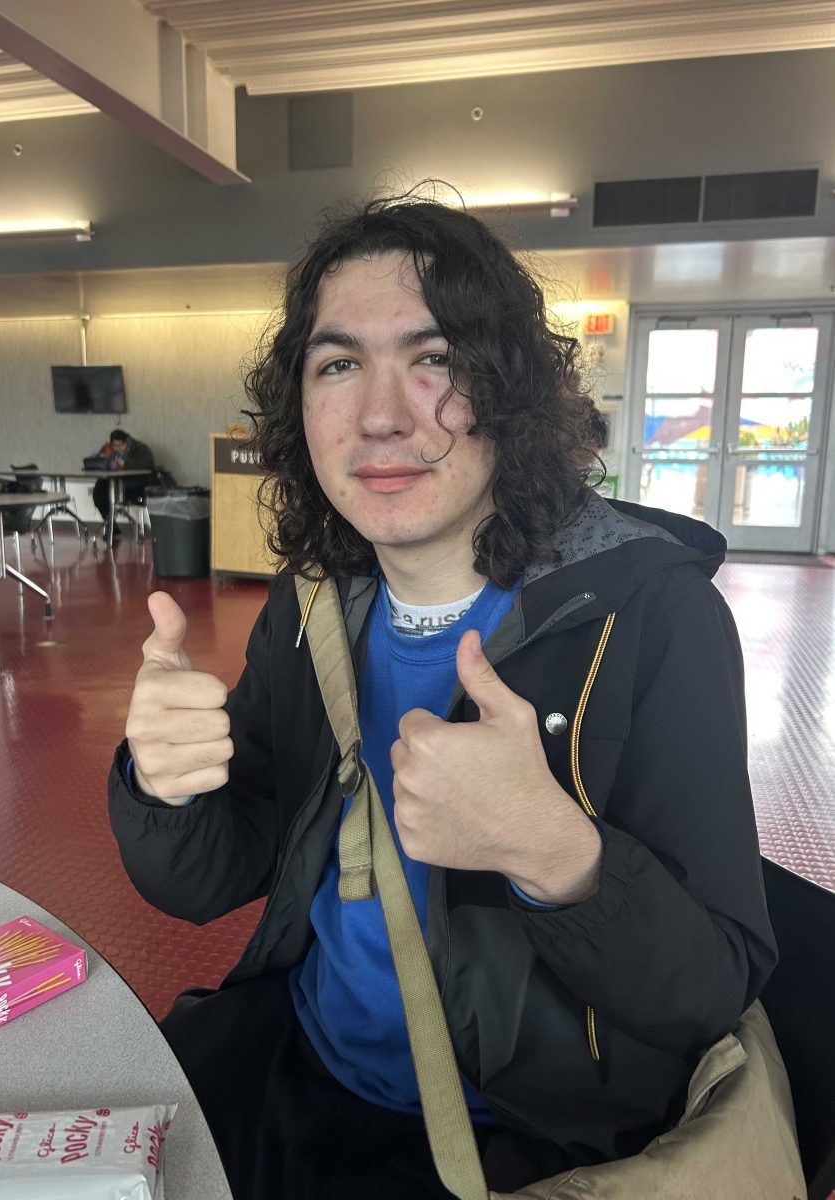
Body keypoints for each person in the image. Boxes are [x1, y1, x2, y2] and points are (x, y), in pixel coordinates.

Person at [108, 188, 777, 1200]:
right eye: (339, 364)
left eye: (434, 358)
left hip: (530, 1140)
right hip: (310, 1076)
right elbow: (217, 874)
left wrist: (552, 852)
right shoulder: (315, 602)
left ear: (506, 389)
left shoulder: (650, 616)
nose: (381, 414)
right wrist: (163, 787)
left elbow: (709, 990)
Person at [90, 427, 155, 539]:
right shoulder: (109, 449)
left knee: (113, 492)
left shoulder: (140, 448)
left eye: (121, 445)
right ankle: (111, 525)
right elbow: (98, 459)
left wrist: (125, 464)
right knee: (98, 493)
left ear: (127, 442)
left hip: (136, 484)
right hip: (114, 482)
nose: (118, 448)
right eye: (115, 446)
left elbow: (148, 465)